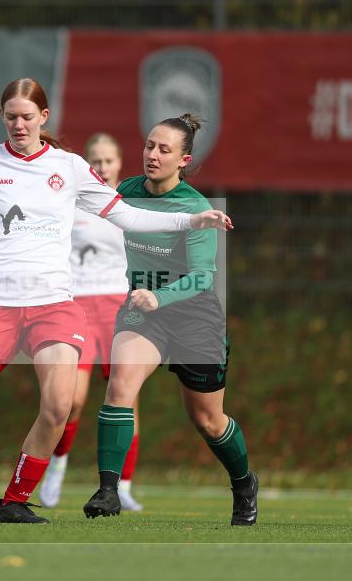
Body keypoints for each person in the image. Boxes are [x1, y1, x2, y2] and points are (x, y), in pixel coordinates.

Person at [0, 79, 234, 525]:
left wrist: (192, 218)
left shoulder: (68, 168)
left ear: (43, 119)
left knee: (60, 404)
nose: (19, 124)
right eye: (11, 116)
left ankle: (14, 500)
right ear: (2, 117)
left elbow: (124, 213)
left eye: (27, 117)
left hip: (54, 307)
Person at [82, 114, 258, 526]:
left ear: (184, 159)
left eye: (164, 150)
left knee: (208, 421)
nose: (152, 155)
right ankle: (109, 491)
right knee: (120, 383)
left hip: (193, 317)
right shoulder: (125, 191)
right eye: (148, 146)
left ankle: (244, 482)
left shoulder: (197, 209)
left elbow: (202, 278)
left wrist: (158, 296)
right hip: (144, 313)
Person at [39, 133, 144, 512]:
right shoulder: (70, 203)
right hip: (77, 308)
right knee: (72, 399)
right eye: (94, 161)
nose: (101, 167)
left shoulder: (127, 206)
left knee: (125, 399)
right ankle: (57, 466)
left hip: (120, 309)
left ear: (119, 164)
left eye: (108, 161)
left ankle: (124, 485)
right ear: (86, 164)